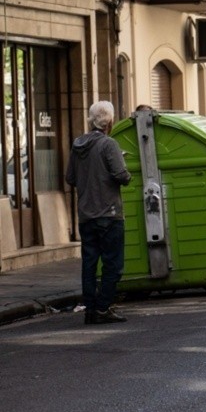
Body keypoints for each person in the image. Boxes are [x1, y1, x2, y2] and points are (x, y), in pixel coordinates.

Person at [66, 101, 132, 324]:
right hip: (109, 214)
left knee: (89, 264)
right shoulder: (108, 144)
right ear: (110, 121)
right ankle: (103, 308)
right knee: (113, 264)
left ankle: (90, 310)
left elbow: (70, 178)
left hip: (86, 215)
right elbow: (122, 176)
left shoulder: (77, 146)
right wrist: (123, 166)